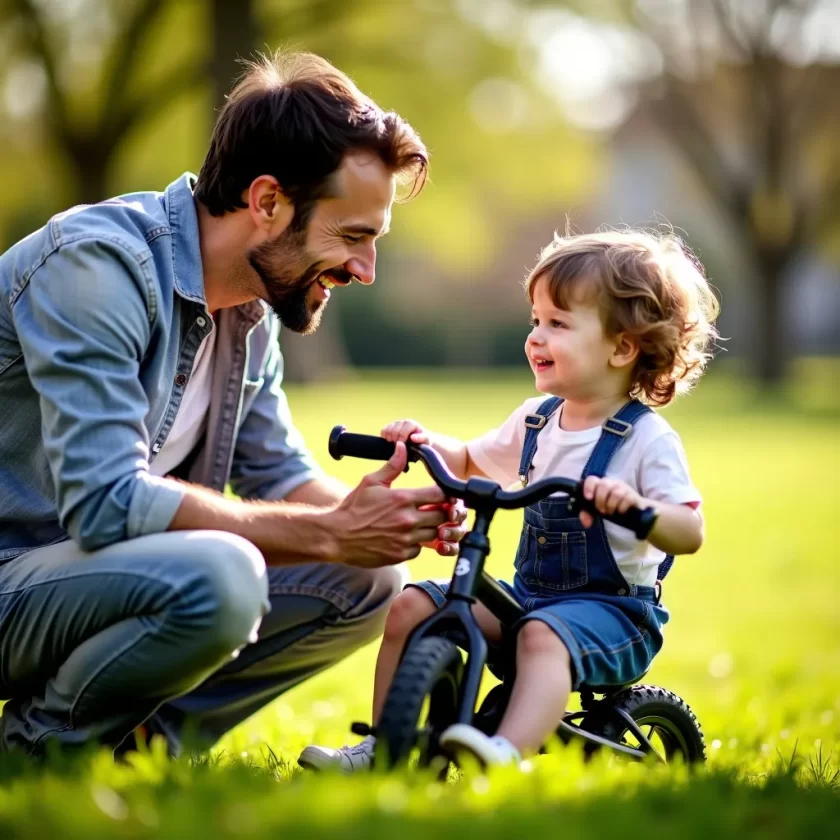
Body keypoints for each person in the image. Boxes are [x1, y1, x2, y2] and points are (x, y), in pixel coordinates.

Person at [0, 50, 467, 758]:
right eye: (353, 237)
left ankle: (139, 746)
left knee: (368, 577)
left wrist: (383, 519)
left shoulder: (250, 310)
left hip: (76, 585)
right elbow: (105, 503)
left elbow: (277, 479)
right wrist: (330, 531)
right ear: (267, 203)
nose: (364, 271)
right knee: (224, 573)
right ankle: (40, 751)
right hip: (13, 574)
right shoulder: (94, 267)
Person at [299, 228, 720, 772]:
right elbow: (469, 459)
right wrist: (423, 443)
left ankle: (503, 753)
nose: (536, 338)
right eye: (535, 321)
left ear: (622, 347)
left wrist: (635, 510)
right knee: (414, 605)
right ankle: (385, 746)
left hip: (616, 615)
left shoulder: (646, 440)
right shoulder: (537, 420)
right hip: (532, 598)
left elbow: (690, 531)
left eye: (558, 324)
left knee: (543, 636)